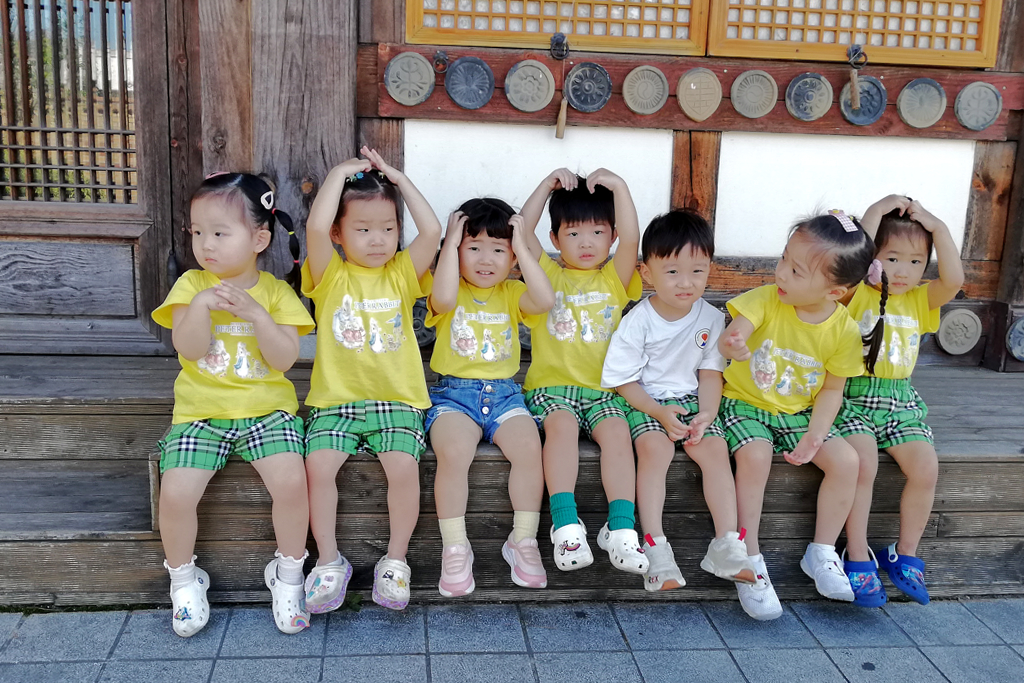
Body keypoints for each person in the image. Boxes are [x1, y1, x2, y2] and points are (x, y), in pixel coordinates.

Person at [153, 172, 314, 636]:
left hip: (267, 411)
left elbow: (284, 360)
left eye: (220, 233)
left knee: (290, 481)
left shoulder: (278, 293)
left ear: (259, 238)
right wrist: (201, 305)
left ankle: (287, 576)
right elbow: (188, 348)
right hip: (202, 414)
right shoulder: (190, 285)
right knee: (178, 491)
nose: (207, 244)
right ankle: (184, 580)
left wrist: (257, 315)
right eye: (198, 232)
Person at [302, 147, 442, 612]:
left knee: (403, 468)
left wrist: (398, 179)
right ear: (340, 235)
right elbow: (314, 228)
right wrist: (340, 175)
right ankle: (327, 562)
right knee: (318, 467)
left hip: (396, 400)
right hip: (335, 402)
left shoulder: (402, 274)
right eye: (362, 230)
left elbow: (434, 231)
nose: (378, 239)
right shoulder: (329, 275)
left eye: (387, 229)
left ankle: (395, 562)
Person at [718, 210, 873, 620]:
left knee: (847, 460)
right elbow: (736, 331)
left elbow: (832, 389)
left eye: (797, 271)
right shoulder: (767, 299)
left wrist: (816, 435)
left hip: (800, 411)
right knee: (754, 456)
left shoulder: (843, 330)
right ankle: (748, 559)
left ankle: (821, 551)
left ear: (835, 292)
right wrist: (733, 343)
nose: (782, 273)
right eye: (783, 259)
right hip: (745, 402)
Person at [601, 210, 756, 591]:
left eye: (697, 271)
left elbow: (710, 374)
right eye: (672, 272)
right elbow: (623, 381)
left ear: (710, 270)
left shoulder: (711, 317)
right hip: (646, 400)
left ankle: (727, 543)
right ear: (648, 273)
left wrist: (708, 413)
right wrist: (656, 411)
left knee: (716, 449)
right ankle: (654, 544)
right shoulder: (639, 320)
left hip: (691, 400)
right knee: (656, 450)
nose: (685, 283)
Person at [838, 195, 963, 607]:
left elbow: (955, 279)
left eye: (915, 261)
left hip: (900, 401)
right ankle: (857, 553)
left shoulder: (920, 299)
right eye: (892, 258)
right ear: (872, 258)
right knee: (864, 466)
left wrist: (937, 226)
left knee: (926, 467)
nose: (904, 271)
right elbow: (856, 252)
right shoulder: (856, 293)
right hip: (852, 398)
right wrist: (878, 208)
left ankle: (904, 554)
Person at [425, 198, 554, 596]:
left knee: (530, 448)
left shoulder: (513, 292)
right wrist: (447, 244)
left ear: (513, 257)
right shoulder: (447, 290)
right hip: (453, 397)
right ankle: (455, 546)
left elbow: (546, 300)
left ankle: (523, 539)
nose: (486, 259)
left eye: (499, 249)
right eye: (473, 247)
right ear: (457, 251)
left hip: (505, 396)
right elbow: (443, 300)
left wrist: (522, 248)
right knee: (454, 453)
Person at [518, 168, 645, 574]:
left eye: (597, 232)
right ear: (555, 240)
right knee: (561, 428)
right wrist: (545, 184)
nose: (586, 242)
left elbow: (634, 239)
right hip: (552, 388)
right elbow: (520, 231)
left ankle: (622, 529)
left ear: (612, 237)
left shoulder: (615, 278)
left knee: (619, 435)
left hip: (604, 391)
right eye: (572, 234)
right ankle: (565, 524)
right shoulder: (548, 274)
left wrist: (621, 188)